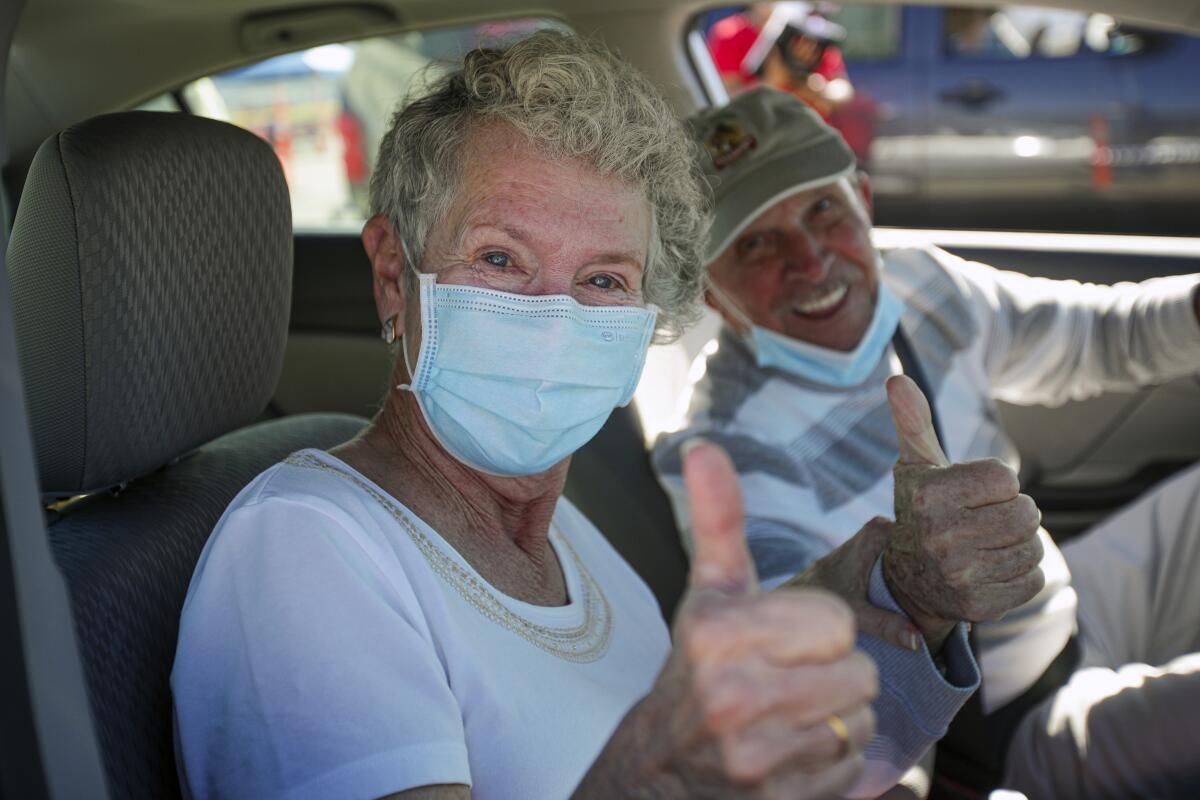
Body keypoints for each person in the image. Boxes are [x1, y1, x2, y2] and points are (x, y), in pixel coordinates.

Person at [170, 32, 984, 800]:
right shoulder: (301, 552)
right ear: (394, 274)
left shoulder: (569, 540)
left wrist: (890, 595)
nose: (553, 321)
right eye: (499, 259)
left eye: (601, 281)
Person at [653, 86, 1200, 798]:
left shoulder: (920, 286)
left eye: (823, 210)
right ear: (711, 294)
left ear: (865, 200)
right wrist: (908, 584)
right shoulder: (722, 457)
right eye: (757, 242)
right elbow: (800, 667)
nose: (811, 260)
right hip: (1005, 729)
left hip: (1072, 608)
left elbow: (1101, 337)